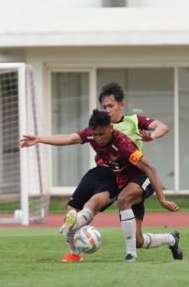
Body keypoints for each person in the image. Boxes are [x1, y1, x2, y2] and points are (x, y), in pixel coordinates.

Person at [19, 109, 183, 262]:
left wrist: (162, 200)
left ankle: (131, 255)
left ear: (111, 128)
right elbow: (68, 138)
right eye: (95, 134)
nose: (98, 138)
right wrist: (40, 139)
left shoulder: (123, 144)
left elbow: (150, 169)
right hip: (122, 182)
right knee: (139, 239)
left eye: (102, 134)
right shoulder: (91, 136)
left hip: (141, 178)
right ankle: (171, 239)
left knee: (123, 199)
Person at [56, 82, 170, 262]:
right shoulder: (99, 127)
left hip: (134, 176)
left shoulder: (134, 121)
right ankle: (170, 238)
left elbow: (162, 126)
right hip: (113, 175)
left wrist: (152, 136)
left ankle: (129, 252)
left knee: (124, 210)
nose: (107, 110)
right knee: (138, 239)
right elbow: (76, 140)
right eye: (104, 107)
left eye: (111, 106)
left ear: (121, 105)